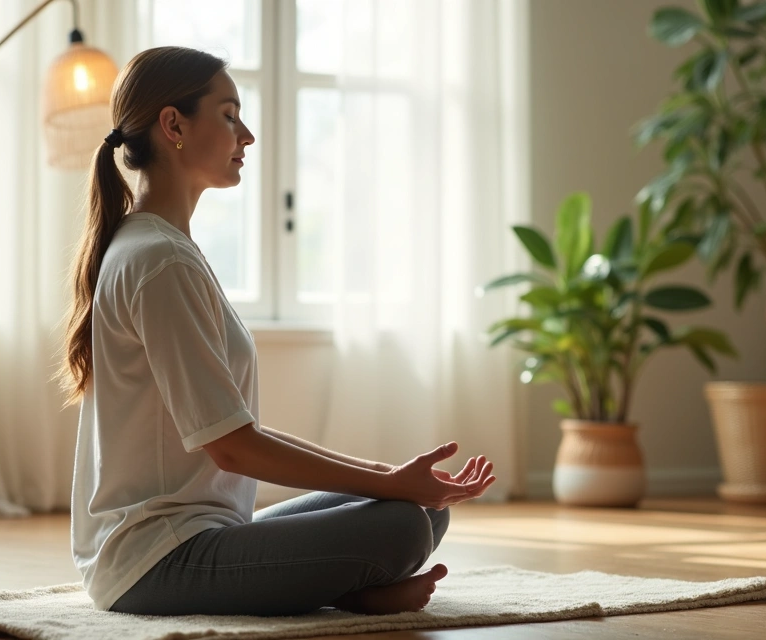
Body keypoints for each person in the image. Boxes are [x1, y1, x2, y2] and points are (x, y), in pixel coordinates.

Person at [57, 46, 496, 617]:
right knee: (403, 526)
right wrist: (388, 485)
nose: (248, 136)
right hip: (154, 562)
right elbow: (234, 447)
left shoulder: (164, 249)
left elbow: (236, 432)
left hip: (201, 535)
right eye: (229, 114)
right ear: (173, 125)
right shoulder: (159, 261)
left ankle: (343, 586)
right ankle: (351, 591)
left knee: (424, 507)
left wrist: (388, 477)